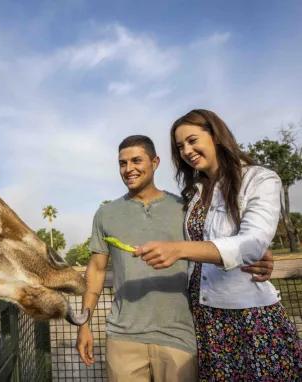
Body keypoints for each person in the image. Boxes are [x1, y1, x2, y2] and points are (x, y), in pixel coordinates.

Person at [76, 135, 273, 382]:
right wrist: (84, 324)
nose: (129, 169)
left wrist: (260, 252)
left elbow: (224, 243)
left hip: (179, 336)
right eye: (122, 163)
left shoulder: (186, 208)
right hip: (122, 336)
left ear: (155, 162)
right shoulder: (105, 214)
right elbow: (95, 270)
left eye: (136, 160)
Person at [136, 109, 301, 380]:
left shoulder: (259, 179)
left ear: (216, 136)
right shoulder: (193, 194)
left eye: (192, 140)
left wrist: (179, 249)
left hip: (249, 316)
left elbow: (253, 241)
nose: (187, 151)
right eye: (180, 147)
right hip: (204, 316)